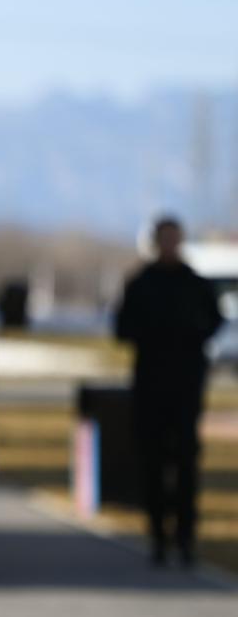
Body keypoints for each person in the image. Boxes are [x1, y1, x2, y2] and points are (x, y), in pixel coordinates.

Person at [115, 217, 222, 567]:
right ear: (156, 242)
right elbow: (122, 328)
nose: (170, 245)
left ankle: (185, 539)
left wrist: (192, 335)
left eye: (175, 239)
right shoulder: (142, 283)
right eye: (164, 239)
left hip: (186, 387)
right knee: (152, 461)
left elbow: (215, 321)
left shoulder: (195, 283)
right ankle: (159, 537)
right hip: (150, 386)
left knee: (186, 462)